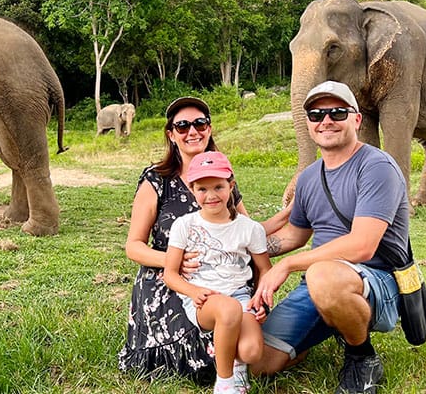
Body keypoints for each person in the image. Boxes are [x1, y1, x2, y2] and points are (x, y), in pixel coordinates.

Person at [249, 80, 411, 394]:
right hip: (320, 285)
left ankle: (362, 357)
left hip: (377, 281)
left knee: (323, 274)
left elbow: (362, 245)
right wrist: (250, 253)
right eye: (316, 114)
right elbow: (294, 235)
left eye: (337, 112)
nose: (326, 120)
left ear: (357, 119)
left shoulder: (377, 167)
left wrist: (286, 267)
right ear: (308, 123)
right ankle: (326, 324)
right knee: (258, 363)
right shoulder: (310, 177)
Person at [118, 96, 291, 382]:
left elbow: (246, 230)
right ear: (171, 135)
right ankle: (225, 376)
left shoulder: (221, 176)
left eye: (199, 123)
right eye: (182, 126)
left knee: (249, 347)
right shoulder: (156, 179)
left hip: (223, 279)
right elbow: (133, 246)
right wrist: (174, 260)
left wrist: (290, 215)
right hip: (170, 278)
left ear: (209, 129)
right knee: (206, 354)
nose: (192, 131)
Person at [164, 151, 271, 394]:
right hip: (204, 299)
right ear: (192, 190)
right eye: (202, 189)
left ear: (231, 186)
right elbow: (170, 274)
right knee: (227, 308)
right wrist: (193, 291)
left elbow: (264, 269)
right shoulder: (185, 225)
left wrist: (261, 298)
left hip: (240, 295)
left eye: (219, 187)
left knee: (251, 351)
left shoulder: (250, 228)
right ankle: (225, 383)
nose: (211, 196)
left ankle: (238, 365)